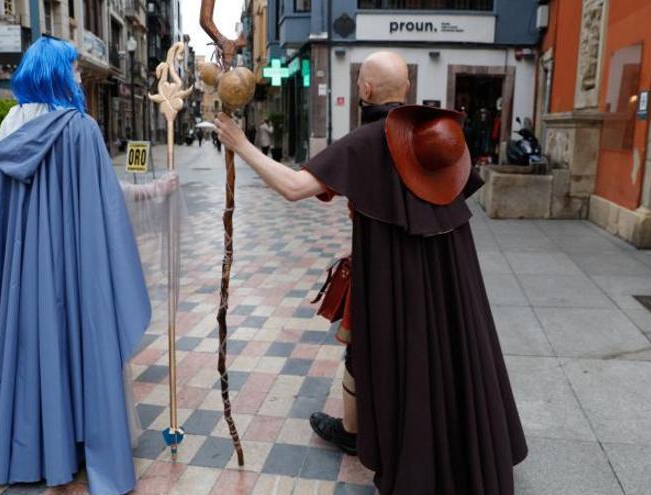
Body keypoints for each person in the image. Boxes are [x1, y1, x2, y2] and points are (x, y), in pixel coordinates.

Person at [215, 51, 527, 494]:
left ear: (364, 90)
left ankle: (391, 447)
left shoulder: (365, 141)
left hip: (394, 282)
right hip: (450, 278)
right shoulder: (438, 132)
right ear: (407, 90)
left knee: (393, 358)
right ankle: (420, 442)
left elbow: (293, 187)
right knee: (448, 355)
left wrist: (240, 144)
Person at [0, 37, 162, 495]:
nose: (80, 77)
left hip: (23, 273)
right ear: (59, 73)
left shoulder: (8, 128)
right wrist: (154, 193)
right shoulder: (79, 129)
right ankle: (79, 442)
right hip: (68, 267)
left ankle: (27, 449)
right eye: (75, 69)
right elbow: (102, 207)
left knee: (25, 348)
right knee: (77, 339)